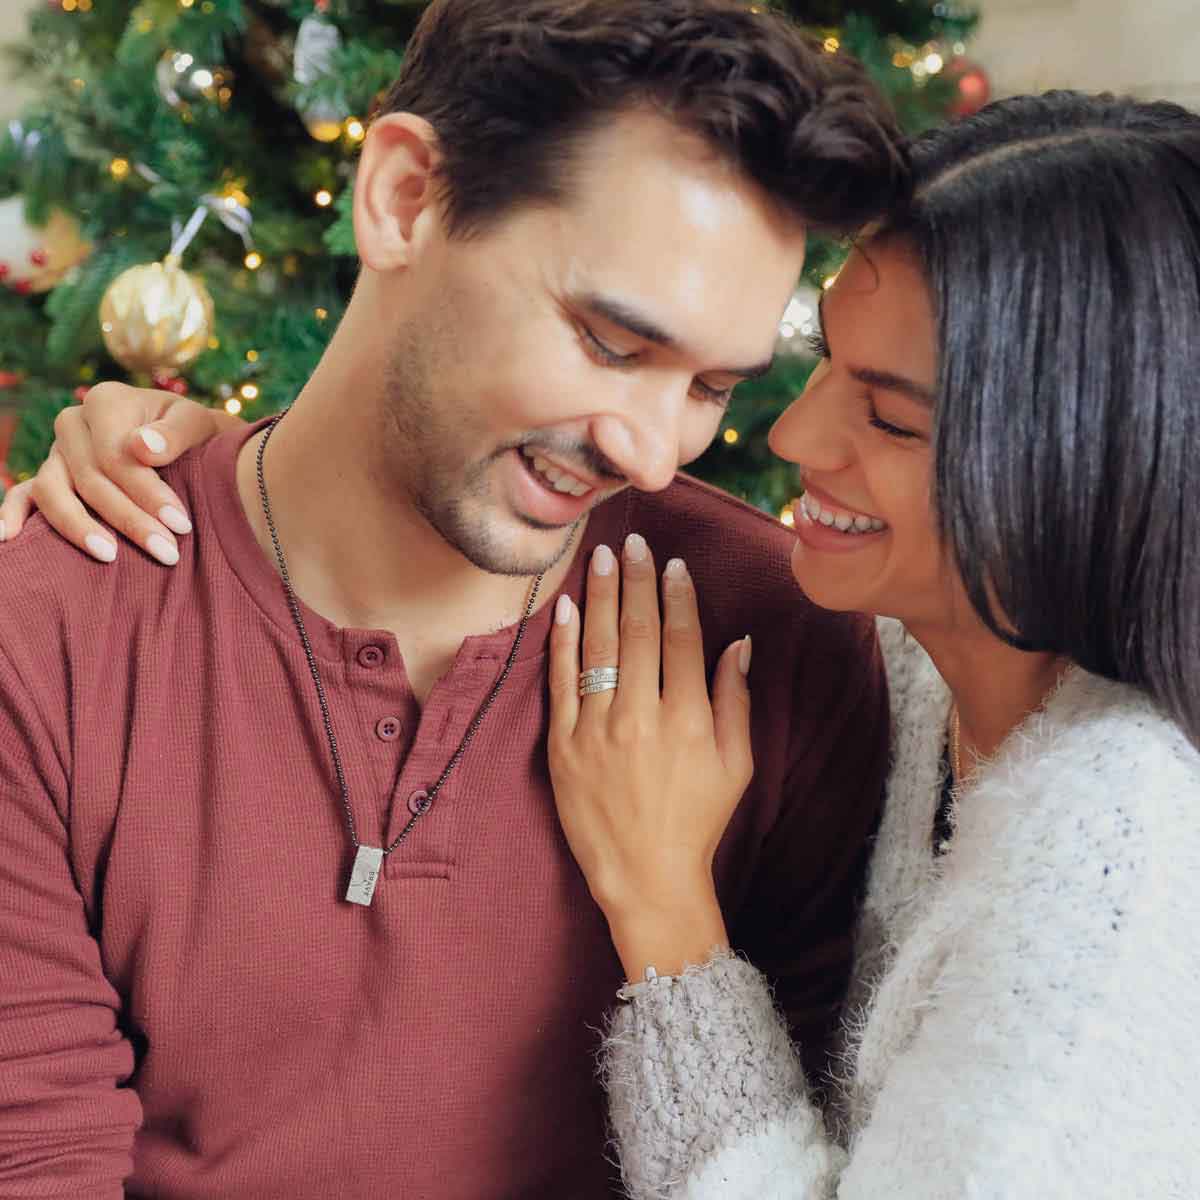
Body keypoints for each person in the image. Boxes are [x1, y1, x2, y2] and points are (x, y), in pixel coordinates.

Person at [23, 91, 1200, 1197]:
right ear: (401, 201)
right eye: (616, 342)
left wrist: (662, 909)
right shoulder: (907, 660)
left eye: (888, 414)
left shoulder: (1111, 898)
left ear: (1081, 468)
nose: (780, 434)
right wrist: (226, 476)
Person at [0, 2, 909, 1197]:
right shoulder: (51, 623)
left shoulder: (774, 640)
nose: (649, 453)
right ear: (405, 199)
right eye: (612, 344)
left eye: (713, 386)